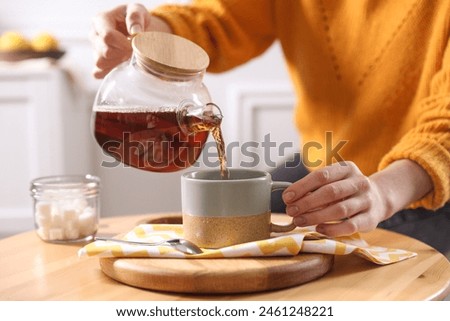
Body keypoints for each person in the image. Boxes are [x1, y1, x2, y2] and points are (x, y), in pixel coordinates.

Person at [90, 1, 450, 253]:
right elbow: (222, 19)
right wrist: (154, 34)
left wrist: (382, 193)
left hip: (425, 186)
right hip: (324, 167)